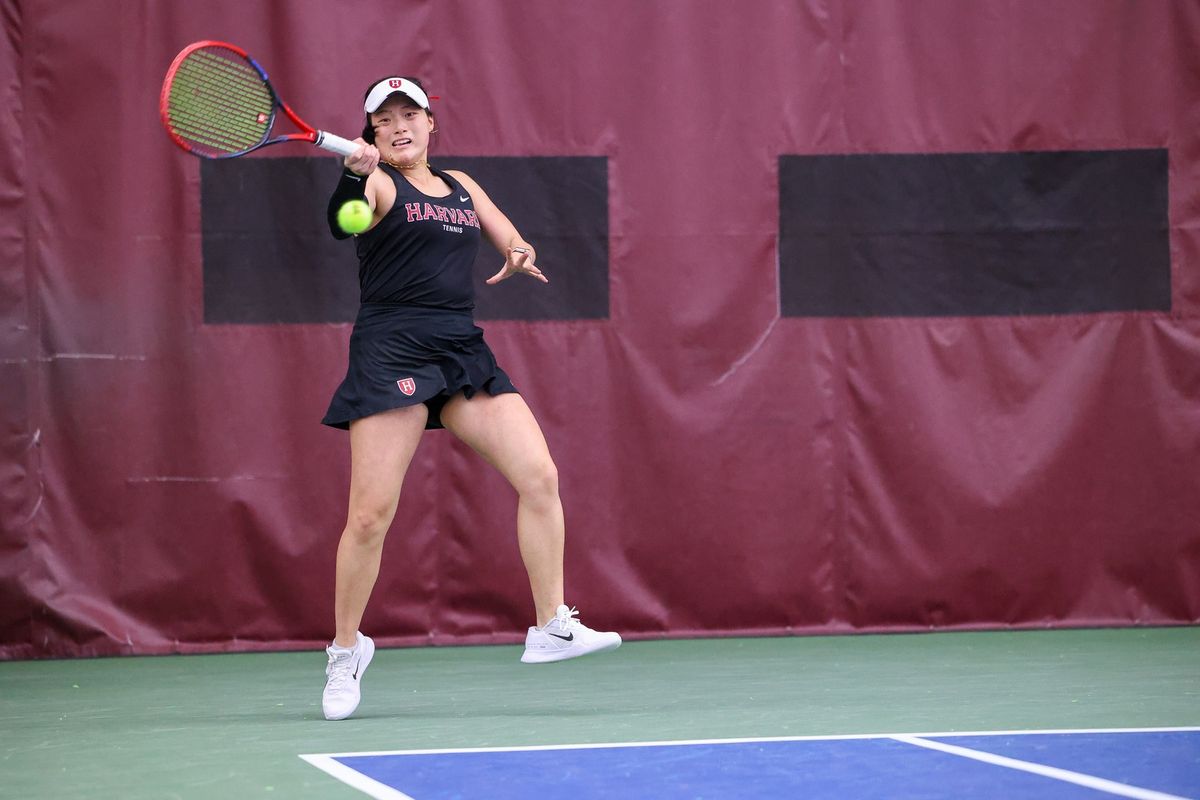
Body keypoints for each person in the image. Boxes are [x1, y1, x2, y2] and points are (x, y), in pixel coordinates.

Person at [318, 76, 621, 721]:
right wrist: (351, 180)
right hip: (392, 349)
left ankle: (551, 626)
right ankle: (346, 650)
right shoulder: (377, 183)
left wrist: (518, 251)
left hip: (459, 348)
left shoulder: (461, 185)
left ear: (431, 123)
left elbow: (506, 233)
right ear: (371, 133)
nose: (399, 126)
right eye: (385, 119)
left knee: (539, 476)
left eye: (410, 114)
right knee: (369, 517)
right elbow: (345, 225)